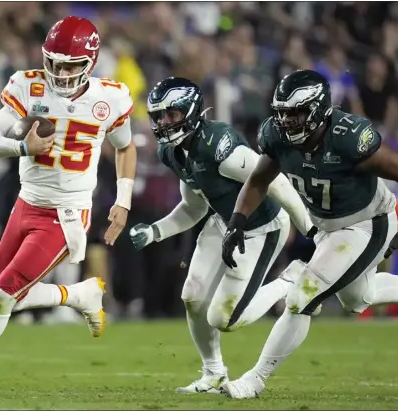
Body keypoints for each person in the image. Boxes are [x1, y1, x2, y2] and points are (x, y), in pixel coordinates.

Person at [0, 16, 137, 399]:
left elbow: (125, 145)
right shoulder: (29, 84)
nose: (59, 71)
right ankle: (79, 295)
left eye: (69, 64)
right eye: (54, 61)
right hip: (26, 203)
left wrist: (123, 199)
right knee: (1, 293)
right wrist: (23, 147)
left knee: (3, 296)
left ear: (91, 61)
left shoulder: (111, 97)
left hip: (66, 214)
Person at [220, 69, 398, 399]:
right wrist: (236, 222)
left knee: (302, 297)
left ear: (318, 110)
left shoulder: (347, 136)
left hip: (368, 221)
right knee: (359, 298)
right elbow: (258, 180)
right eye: (283, 113)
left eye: (296, 113)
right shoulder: (275, 135)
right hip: (329, 228)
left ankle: (255, 379)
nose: (286, 121)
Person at [129, 77, 315, 394]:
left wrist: (310, 229)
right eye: (159, 116)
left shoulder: (219, 145)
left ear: (191, 111)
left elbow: (276, 183)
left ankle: (290, 280)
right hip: (223, 222)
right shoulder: (173, 152)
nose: (163, 123)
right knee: (193, 296)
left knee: (225, 318)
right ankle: (214, 373)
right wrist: (156, 231)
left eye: (171, 114)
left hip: (261, 226)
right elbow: (193, 207)